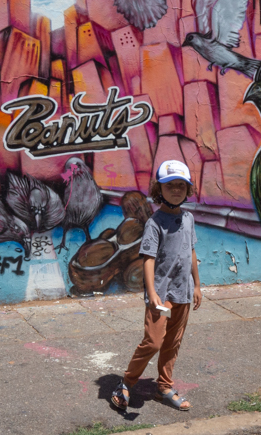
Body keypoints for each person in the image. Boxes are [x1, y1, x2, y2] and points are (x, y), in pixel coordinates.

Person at [110, 159, 202, 412]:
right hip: (161, 295)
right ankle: (127, 382)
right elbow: (148, 259)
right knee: (153, 342)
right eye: (170, 185)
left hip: (183, 292)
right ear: (158, 190)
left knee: (173, 342)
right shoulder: (154, 223)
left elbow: (191, 252)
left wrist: (197, 285)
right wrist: (152, 293)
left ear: (188, 190)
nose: (176, 190)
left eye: (181, 185)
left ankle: (164, 387)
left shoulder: (189, 218)